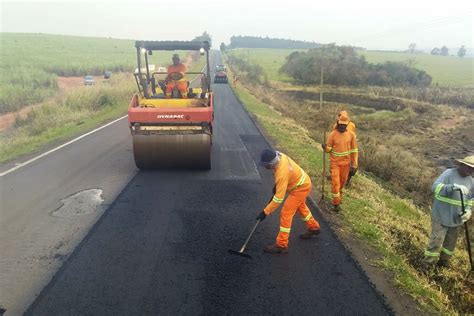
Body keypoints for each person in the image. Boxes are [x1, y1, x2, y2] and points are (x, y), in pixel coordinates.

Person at [257, 149, 321, 254]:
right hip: (300, 182)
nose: (265, 167)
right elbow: (282, 177)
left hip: (300, 187)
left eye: (266, 165)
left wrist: (265, 212)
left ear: (272, 163)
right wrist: (277, 186)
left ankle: (281, 244)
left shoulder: (282, 173)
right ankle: (314, 227)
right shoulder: (279, 156)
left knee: (286, 212)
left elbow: (278, 199)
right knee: (301, 207)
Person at [423, 155, 473, 268]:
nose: (471, 170)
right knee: (436, 242)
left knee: (450, 245)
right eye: (469, 167)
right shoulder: (449, 173)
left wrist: (468, 211)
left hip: (456, 219)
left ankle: (443, 264)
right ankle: (427, 265)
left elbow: (471, 199)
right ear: (462, 165)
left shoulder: (471, 182)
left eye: (473, 169)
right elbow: (434, 187)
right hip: (441, 215)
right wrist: (452, 187)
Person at [321, 113, 358, 212]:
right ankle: (336, 203)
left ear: (347, 124)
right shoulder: (333, 134)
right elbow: (329, 149)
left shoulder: (351, 135)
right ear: (338, 123)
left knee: (342, 183)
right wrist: (325, 148)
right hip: (335, 164)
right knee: (335, 184)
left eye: (344, 125)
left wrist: (354, 165)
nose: (342, 126)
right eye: (340, 124)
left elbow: (354, 150)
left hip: (346, 164)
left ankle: (338, 198)